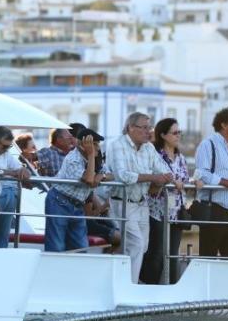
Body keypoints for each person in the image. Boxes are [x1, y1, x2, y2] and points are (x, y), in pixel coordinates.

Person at [107, 112, 174, 283]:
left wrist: (159, 182)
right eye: (144, 128)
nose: (149, 131)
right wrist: (153, 178)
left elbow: (166, 171)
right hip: (122, 203)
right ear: (130, 127)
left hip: (142, 203)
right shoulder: (116, 145)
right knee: (136, 245)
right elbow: (123, 175)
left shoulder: (149, 148)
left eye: (149, 127)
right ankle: (131, 287)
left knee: (141, 247)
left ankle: (121, 281)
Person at [194, 107, 228, 258]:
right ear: (224, 125)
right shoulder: (208, 144)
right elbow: (201, 173)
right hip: (214, 209)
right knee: (208, 257)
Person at [143, 118, 191, 284]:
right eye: (175, 132)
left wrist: (192, 182)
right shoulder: (155, 155)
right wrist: (172, 182)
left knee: (173, 253)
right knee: (157, 252)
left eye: (179, 132)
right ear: (163, 135)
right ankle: (149, 287)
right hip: (157, 211)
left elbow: (185, 179)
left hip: (177, 212)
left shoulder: (180, 157)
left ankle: (170, 289)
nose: (178, 135)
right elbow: (152, 180)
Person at [45, 129, 103, 252]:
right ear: (84, 145)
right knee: (56, 247)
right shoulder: (74, 158)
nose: (98, 148)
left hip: (76, 205)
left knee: (81, 248)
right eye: (95, 144)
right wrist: (91, 154)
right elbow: (88, 179)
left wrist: (101, 176)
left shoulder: (92, 157)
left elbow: (111, 174)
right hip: (59, 202)